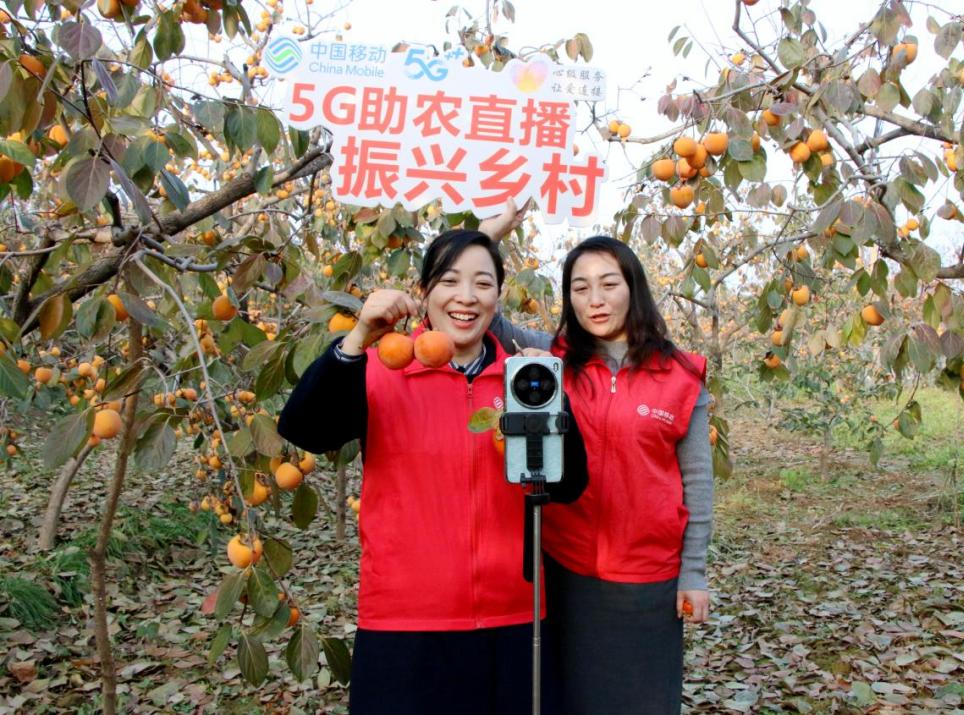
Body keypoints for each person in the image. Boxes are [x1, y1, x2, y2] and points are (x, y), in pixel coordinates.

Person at [277, 228, 587, 715]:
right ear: (424, 292)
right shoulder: (381, 368)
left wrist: (548, 404)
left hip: (513, 617)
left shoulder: (522, 380)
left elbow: (567, 486)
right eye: (449, 281)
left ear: (498, 296)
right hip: (404, 624)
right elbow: (305, 429)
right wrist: (356, 338)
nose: (466, 297)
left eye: (482, 283)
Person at [484, 213, 714, 715]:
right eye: (580, 287)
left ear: (633, 288)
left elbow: (697, 481)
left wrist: (693, 573)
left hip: (646, 578)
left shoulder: (680, 375)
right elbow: (484, 318)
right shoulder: (551, 360)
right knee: (569, 698)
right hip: (563, 568)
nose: (595, 299)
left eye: (609, 284)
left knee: (641, 701)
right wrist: (488, 236)